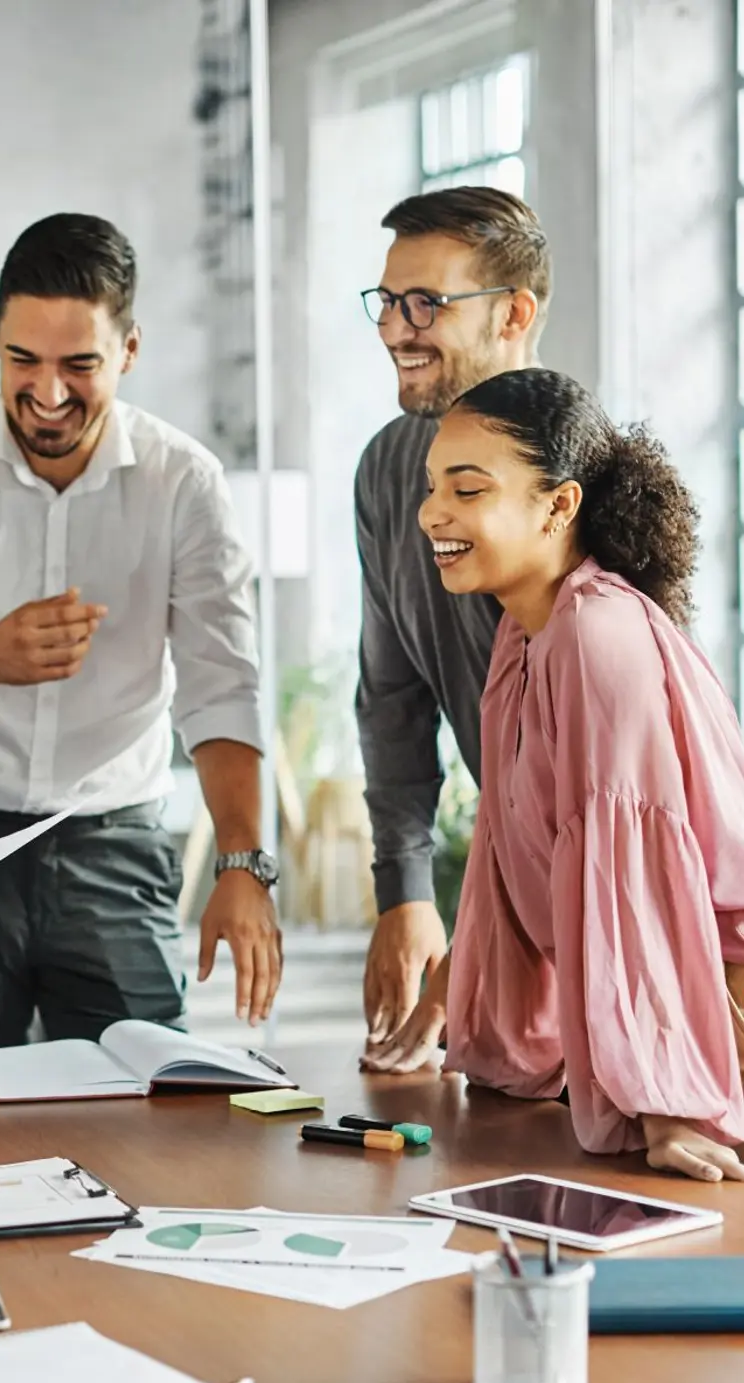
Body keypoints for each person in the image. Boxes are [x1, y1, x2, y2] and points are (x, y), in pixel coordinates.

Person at [0, 212, 281, 1067]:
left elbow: (222, 686)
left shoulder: (186, 483)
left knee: (147, 1106)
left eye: (80, 365)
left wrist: (243, 863)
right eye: (23, 360)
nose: (49, 392)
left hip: (112, 842)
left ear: (129, 351)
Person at [394, 366, 744, 1181]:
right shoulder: (523, 634)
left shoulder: (597, 634)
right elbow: (514, 856)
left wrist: (665, 1104)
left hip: (718, 1016)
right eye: (432, 485)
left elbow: (639, 884)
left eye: (468, 488)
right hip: (677, 1024)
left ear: (559, 506)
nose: (432, 513)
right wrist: (493, 1036)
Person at [353, 187, 551, 1058]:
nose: (398, 327)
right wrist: (405, 890)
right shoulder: (387, 469)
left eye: (427, 302)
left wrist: (475, 942)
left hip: (620, 905)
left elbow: (598, 786)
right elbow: (391, 699)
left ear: (513, 314)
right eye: (389, 302)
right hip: (516, 892)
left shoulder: (584, 481)